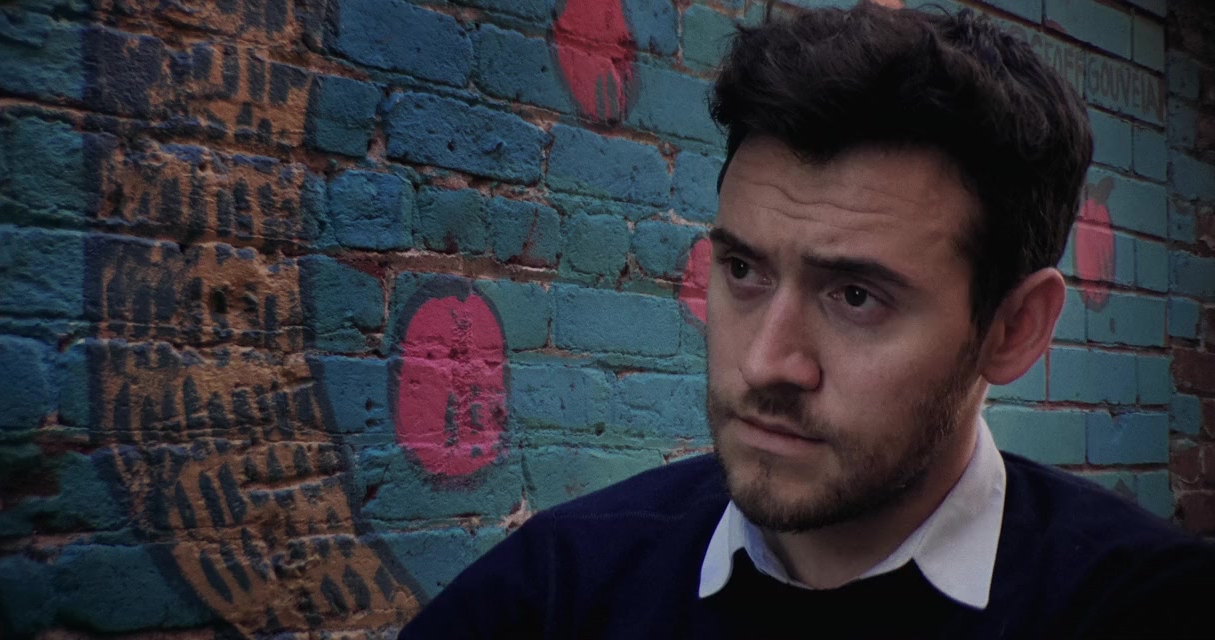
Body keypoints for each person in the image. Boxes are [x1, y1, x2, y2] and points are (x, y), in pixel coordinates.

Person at [400, 2, 1215, 638]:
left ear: (1012, 330)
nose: (764, 362)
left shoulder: (1148, 608)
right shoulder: (559, 590)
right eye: (744, 271)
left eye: (855, 296)